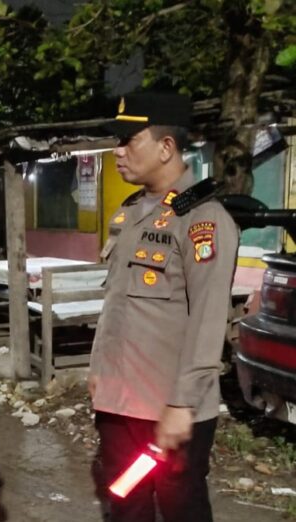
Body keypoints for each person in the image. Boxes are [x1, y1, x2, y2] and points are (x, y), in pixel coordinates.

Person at [89, 92, 239, 521]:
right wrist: (99, 369)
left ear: (166, 147)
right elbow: (117, 304)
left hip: (168, 408)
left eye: (129, 140)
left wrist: (181, 405)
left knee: (180, 509)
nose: (118, 151)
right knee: (126, 505)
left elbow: (208, 320)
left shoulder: (203, 220)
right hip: (120, 404)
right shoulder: (130, 213)